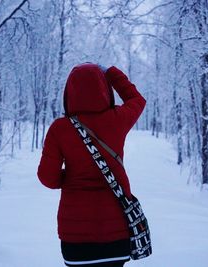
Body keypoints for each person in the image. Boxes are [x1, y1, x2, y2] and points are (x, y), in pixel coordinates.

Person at [37, 63, 146, 267]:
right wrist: (111, 73)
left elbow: (47, 178)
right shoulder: (116, 120)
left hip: (75, 242)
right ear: (104, 90)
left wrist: (69, 178)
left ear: (68, 93)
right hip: (117, 237)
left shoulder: (60, 129)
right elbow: (137, 100)